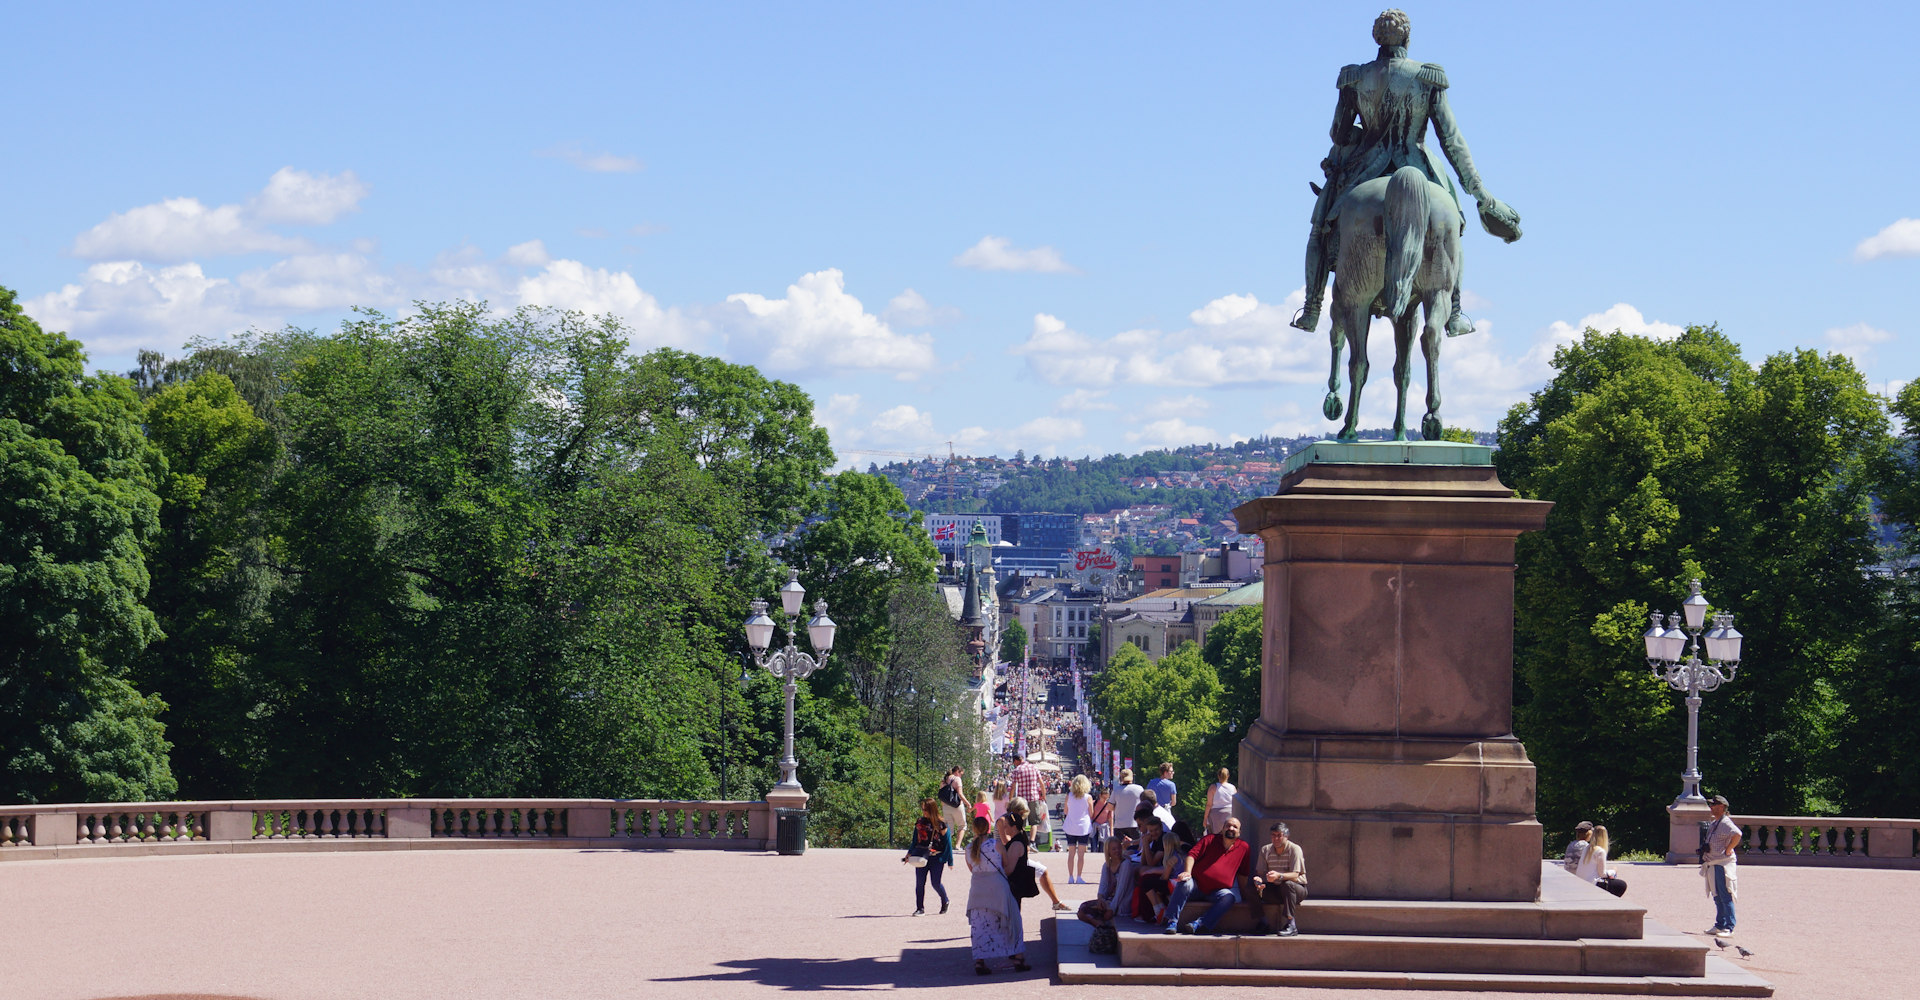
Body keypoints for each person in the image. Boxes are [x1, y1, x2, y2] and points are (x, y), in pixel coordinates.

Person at [1164, 816, 1252, 936]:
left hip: (1217, 891)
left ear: (1239, 832)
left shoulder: (1244, 848)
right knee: (1184, 882)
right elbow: (1191, 855)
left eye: (1235, 827)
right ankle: (1171, 921)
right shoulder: (1209, 839)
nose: (1231, 828)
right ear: (1222, 829)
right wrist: (1187, 872)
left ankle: (1198, 924)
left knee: (1229, 897)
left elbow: (1243, 873)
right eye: (1228, 826)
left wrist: (1244, 893)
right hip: (1196, 885)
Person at [965, 814, 1027, 975]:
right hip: (997, 886)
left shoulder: (969, 848)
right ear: (988, 828)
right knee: (1012, 919)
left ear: (974, 830)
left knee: (980, 925)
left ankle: (980, 961)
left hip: (978, 888)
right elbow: (1005, 863)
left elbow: (971, 869)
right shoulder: (996, 844)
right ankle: (1018, 957)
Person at [1004, 797, 1070, 912]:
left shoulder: (1011, 819)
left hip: (1017, 857)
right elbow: (1005, 840)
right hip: (1013, 859)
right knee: (1040, 873)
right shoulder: (1008, 821)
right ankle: (1056, 902)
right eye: (1023, 813)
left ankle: (1056, 902)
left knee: (1039, 874)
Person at [1252, 821, 1308, 936]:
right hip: (1275, 889)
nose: (1276, 838)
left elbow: (1295, 875)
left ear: (1286, 836)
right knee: (1250, 888)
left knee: (1287, 884)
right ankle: (1263, 922)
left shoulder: (1294, 849)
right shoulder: (1265, 850)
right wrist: (1259, 881)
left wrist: (1279, 875)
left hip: (1296, 890)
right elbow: (1260, 873)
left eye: (1279, 835)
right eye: (1273, 835)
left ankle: (1291, 924)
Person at [1702, 795, 1743, 938]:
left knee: (1725, 895)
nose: (1711, 807)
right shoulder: (1715, 822)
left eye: (1713, 805)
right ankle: (1720, 925)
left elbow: (1737, 834)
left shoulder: (1725, 822)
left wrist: (1729, 849)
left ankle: (1729, 927)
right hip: (1713, 863)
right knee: (1717, 896)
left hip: (1722, 863)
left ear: (1721, 807)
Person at [903, 798, 952, 916]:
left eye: (926, 809)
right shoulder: (920, 822)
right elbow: (915, 840)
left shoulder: (941, 824)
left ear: (932, 809)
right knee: (919, 883)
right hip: (921, 856)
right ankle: (920, 908)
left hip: (937, 857)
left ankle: (945, 900)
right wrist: (909, 854)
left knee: (935, 883)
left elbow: (948, 843)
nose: (924, 812)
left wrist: (949, 860)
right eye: (923, 809)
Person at [1576, 824, 1627, 898]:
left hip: (1582, 882)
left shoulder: (1587, 848)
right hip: (1592, 883)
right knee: (1621, 885)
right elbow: (1602, 874)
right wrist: (1613, 871)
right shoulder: (1600, 851)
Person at [1063, 774, 1094, 883]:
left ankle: (1070, 877)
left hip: (1070, 826)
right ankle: (1079, 877)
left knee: (1071, 853)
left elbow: (1065, 811)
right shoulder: (1088, 797)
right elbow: (1091, 813)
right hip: (1083, 828)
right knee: (1081, 855)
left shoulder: (1069, 796)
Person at [939, 767, 971, 845]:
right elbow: (960, 794)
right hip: (956, 806)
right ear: (957, 771)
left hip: (945, 806)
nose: (960, 776)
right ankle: (957, 845)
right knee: (962, 825)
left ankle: (946, 845)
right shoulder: (957, 779)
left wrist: (943, 806)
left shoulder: (943, 781)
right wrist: (968, 804)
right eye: (961, 774)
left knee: (948, 828)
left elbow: (941, 795)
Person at [1110, 769, 1143, 844]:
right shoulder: (1139, 789)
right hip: (1135, 824)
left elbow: (1109, 807)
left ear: (1121, 778)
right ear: (1132, 777)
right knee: (1136, 847)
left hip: (1119, 825)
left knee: (1120, 848)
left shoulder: (1116, 790)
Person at [1203, 767, 1237, 835]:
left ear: (1218, 776)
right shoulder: (1233, 787)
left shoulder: (1213, 787)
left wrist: (1205, 818)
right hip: (1230, 813)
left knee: (1215, 836)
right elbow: (1236, 803)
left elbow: (1209, 804)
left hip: (1216, 814)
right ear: (1228, 776)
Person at [1089, 785, 1114, 852]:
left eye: (1107, 798)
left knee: (1102, 849)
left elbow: (1110, 819)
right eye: (1104, 797)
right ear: (1100, 796)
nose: (1105, 799)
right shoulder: (1094, 803)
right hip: (1094, 827)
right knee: (1093, 848)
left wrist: (1111, 832)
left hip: (1104, 828)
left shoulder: (1109, 805)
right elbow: (1089, 816)